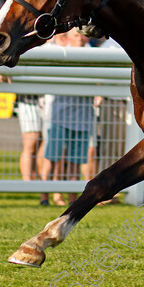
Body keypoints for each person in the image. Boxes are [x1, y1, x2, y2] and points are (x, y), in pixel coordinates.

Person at [40, 29, 97, 206]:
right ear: (67, 37)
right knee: (51, 157)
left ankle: (73, 199)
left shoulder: (94, 55)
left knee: (75, 160)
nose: (80, 38)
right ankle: (44, 197)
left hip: (83, 116)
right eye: (76, 35)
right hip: (59, 114)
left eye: (82, 35)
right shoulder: (62, 54)